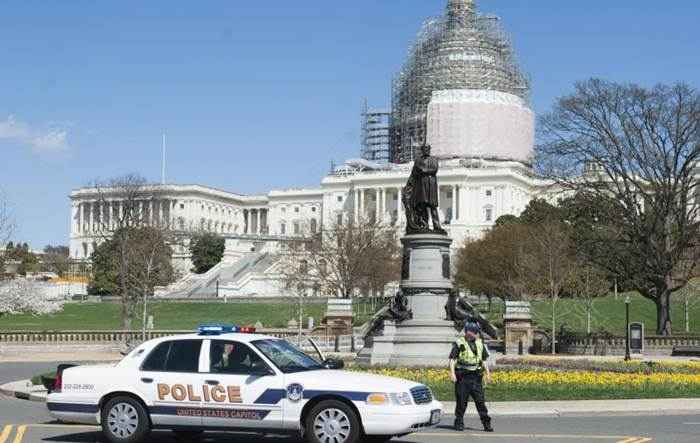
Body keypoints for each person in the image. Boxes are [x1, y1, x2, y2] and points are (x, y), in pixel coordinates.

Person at [449, 321, 493, 432]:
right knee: (461, 402)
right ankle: (459, 422)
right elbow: (452, 359)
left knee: (480, 402)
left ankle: (486, 423)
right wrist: (452, 373)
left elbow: (483, 360)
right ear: (468, 332)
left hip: (476, 377)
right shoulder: (459, 343)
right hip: (463, 377)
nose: (477, 334)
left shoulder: (479, 343)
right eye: (475, 332)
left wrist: (488, 373)